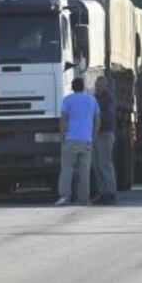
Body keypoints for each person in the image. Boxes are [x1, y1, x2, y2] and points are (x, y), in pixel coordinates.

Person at [55, 78, 100, 206]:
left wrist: (62, 135)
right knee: (84, 171)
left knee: (67, 169)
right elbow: (97, 120)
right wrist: (93, 135)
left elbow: (63, 119)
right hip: (86, 140)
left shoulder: (68, 100)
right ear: (83, 87)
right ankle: (84, 198)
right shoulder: (92, 100)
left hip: (71, 139)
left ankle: (65, 196)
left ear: (72, 88)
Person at [91, 76, 118, 205]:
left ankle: (111, 193)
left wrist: (95, 114)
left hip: (105, 133)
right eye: (97, 85)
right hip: (95, 134)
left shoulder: (110, 99)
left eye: (101, 85)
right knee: (97, 165)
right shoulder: (93, 98)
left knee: (105, 164)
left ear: (106, 86)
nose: (98, 87)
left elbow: (109, 115)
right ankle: (103, 193)